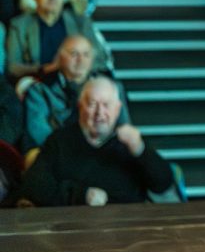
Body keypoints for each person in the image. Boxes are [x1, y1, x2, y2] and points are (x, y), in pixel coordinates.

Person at [18, 76, 173, 206]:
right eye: (92, 104)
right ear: (80, 106)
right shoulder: (59, 140)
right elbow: (34, 186)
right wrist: (80, 195)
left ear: (118, 109)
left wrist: (141, 150)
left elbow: (163, 184)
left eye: (106, 105)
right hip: (70, 230)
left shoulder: (130, 142)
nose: (100, 113)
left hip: (126, 230)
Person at [23, 35, 128, 153]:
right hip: (57, 153)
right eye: (74, 54)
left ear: (92, 59)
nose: (80, 60)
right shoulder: (40, 89)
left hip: (102, 152)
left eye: (86, 54)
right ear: (60, 57)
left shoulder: (111, 88)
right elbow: (38, 131)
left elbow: (123, 127)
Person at [6, 0, 112, 82]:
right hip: (38, 82)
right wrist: (45, 69)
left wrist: (77, 68)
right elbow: (12, 67)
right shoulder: (19, 25)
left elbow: (99, 59)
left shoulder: (80, 21)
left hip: (78, 81)